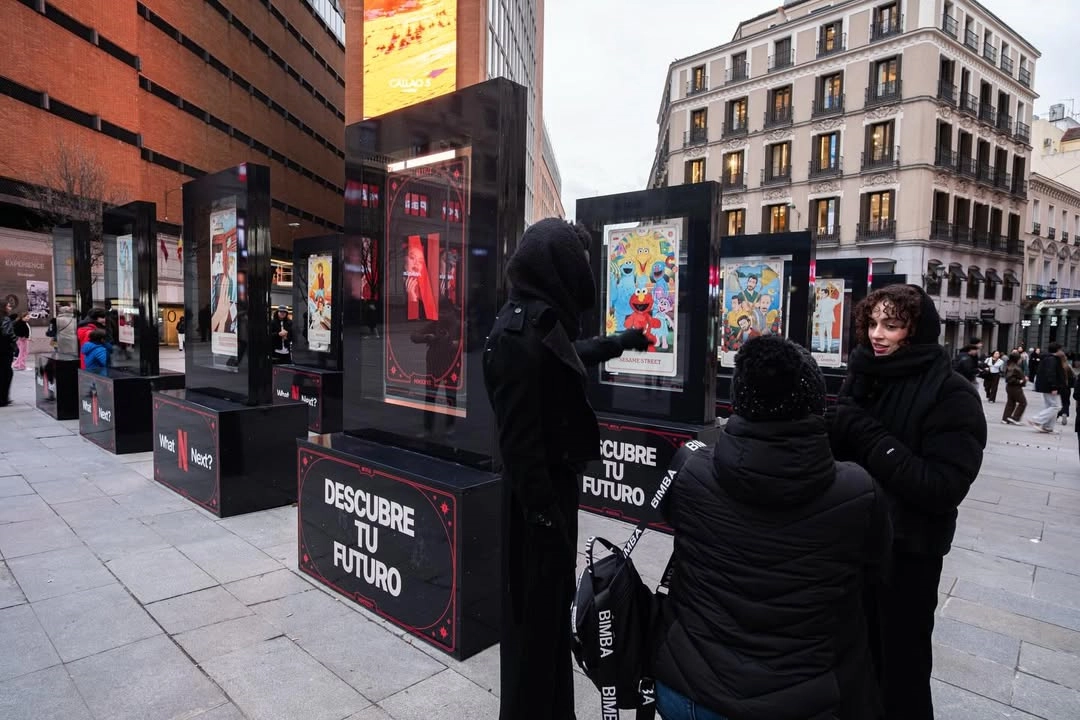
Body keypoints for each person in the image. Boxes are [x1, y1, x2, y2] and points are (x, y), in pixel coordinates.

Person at [651, 336, 891, 720]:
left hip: (689, 687)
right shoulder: (860, 493)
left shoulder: (689, 470)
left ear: (738, 399)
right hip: (806, 699)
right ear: (816, 402)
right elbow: (876, 571)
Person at [482, 218, 649, 720]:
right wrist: (547, 521)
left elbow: (565, 356)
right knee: (533, 624)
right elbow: (519, 445)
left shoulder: (535, 318)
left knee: (550, 617)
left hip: (549, 492)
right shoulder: (517, 332)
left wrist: (618, 342)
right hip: (535, 501)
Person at [828, 284, 986, 720]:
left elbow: (941, 487)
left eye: (892, 326)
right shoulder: (863, 374)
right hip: (850, 546)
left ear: (916, 332)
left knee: (901, 673)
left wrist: (864, 432)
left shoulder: (952, 393)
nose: (877, 334)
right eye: (873, 323)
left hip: (907, 556)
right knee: (851, 666)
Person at [1029, 342, 1068, 434]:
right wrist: (1054, 386)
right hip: (1050, 387)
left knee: (1051, 406)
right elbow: (1051, 373)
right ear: (1057, 350)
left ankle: (1048, 427)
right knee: (1056, 406)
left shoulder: (1048, 358)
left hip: (1047, 386)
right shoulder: (1052, 359)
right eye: (1060, 349)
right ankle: (1037, 419)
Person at [1002, 352, 1028, 425]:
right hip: (1015, 387)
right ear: (1017, 359)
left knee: (1011, 402)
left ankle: (1005, 418)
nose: (1021, 360)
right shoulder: (1014, 367)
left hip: (1011, 387)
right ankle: (1015, 418)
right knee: (1023, 402)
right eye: (1020, 359)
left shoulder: (1010, 366)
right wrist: (1020, 381)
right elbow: (1009, 378)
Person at [0, 302, 16, 405]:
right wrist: (14, 341)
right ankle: (3, 398)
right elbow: (8, 334)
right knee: (6, 373)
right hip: (5, 350)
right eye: (8, 306)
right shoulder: (5, 319)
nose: (10, 308)